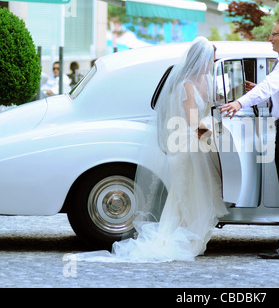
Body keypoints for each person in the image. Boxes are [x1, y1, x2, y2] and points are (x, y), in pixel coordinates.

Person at [72, 37, 228, 263]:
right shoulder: (185, 84)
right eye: (210, 58)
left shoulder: (207, 79)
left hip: (198, 142)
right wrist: (214, 138)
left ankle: (194, 234)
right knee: (188, 193)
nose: (213, 61)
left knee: (199, 191)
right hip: (187, 145)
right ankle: (186, 236)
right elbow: (193, 121)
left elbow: (213, 106)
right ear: (201, 59)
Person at [220, 18, 279, 259]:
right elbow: (273, 91)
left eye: (274, 34)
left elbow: (268, 88)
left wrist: (239, 102)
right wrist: (257, 91)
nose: (269, 38)